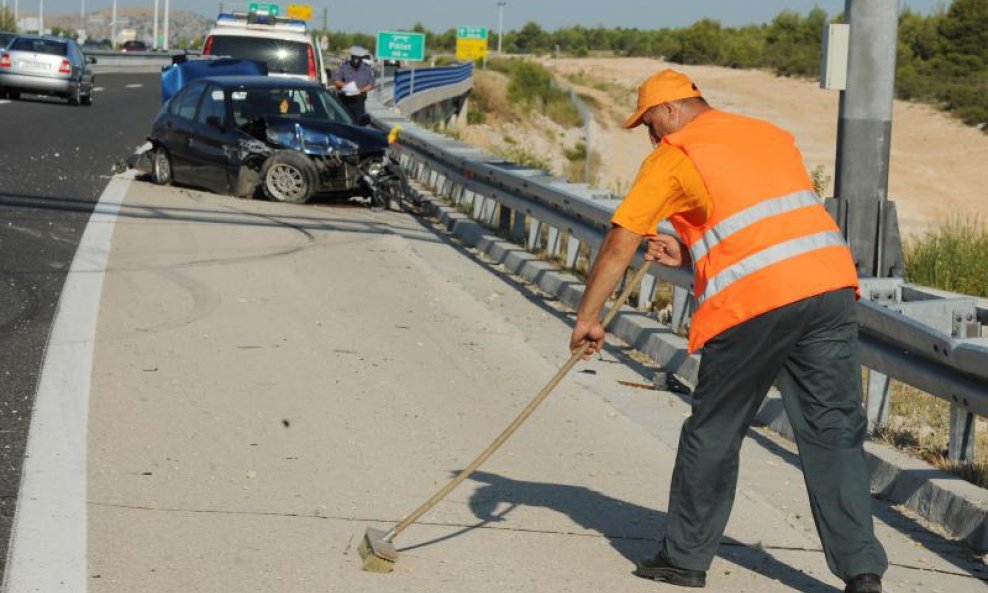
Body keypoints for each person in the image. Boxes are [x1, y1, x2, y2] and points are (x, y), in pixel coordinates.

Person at [568, 69, 888, 593]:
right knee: (833, 430)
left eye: (649, 123)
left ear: (669, 111)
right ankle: (862, 572)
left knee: (715, 430)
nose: (651, 135)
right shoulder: (766, 133)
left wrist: (587, 317)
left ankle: (685, 558)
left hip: (756, 304)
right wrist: (693, 251)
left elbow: (620, 241)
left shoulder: (676, 154)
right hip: (828, 287)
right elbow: (762, 224)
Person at [331, 45, 376, 119]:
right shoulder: (344, 66)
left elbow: (371, 84)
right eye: (354, 58)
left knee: (359, 122)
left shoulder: (367, 68)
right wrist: (345, 85)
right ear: (351, 57)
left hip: (359, 99)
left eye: (358, 59)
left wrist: (361, 90)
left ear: (361, 58)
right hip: (345, 99)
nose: (356, 61)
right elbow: (335, 80)